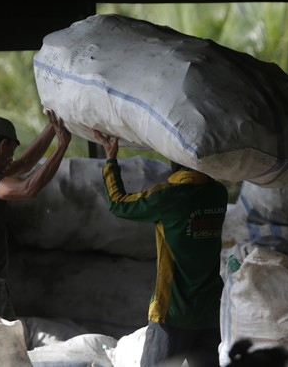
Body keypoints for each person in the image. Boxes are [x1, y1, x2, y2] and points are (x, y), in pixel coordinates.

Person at [91, 129, 229, 367]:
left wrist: (111, 158)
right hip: (209, 313)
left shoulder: (168, 197)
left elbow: (117, 203)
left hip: (172, 313)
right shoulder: (219, 194)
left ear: (174, 163)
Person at [0, 109, 71, 320]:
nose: (12, 158)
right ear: (2, 145)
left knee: (7, 351)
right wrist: (62, 147)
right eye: (12, 149)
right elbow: (28, 189)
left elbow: (26, 163)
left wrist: (53, 128)